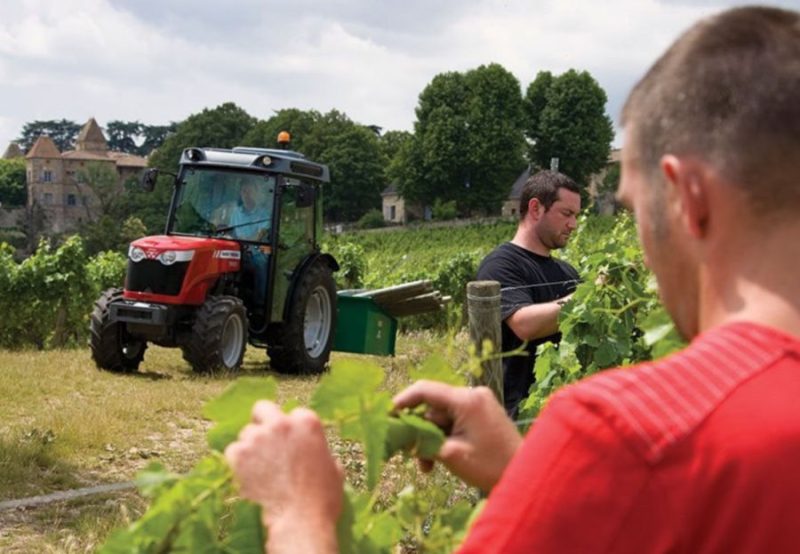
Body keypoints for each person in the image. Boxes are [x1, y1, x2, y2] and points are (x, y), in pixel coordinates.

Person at [225, 6, 800, 552]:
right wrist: (528, 476)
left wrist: (297, 513)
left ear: (689, 197)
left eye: (640, 209)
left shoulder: (627, 431)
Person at [476, 170, 580, 418]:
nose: (573, 224)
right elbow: (523, 324)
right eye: (566, 214)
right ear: (536, 208)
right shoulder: (501, 265)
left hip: (562, 413)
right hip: (518, 417)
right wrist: (586, 299)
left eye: (576, 216)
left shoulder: (567, 272)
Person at [231, 179, 271, 314]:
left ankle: (260, 304)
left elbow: (258, 236)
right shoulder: (236, 213)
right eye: (243, 191)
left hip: (258, 249)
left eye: (249, 191)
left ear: (256, 193)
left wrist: (242, 241)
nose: (246, 194)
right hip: (238, 250)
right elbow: (231, 232)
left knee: (261, 262)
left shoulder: (263, 214)